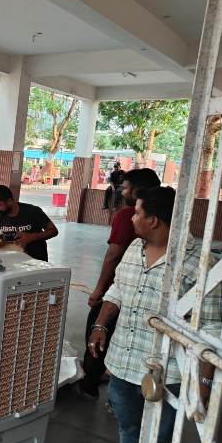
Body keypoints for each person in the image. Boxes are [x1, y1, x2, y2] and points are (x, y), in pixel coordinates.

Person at [88, 187, 222, 443]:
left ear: (153, 220)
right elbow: (118, 289)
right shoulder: (134, 247)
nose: (131, 218)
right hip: (123, 366)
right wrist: (100, 324)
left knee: (160, 442)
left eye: (136, 213)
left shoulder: (202, 263)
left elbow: (212, 329)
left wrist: (204, 384)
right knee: (128, 430)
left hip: (168, 376)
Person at [79, 168, 160, 400]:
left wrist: (99, 290)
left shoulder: (126, 216)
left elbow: (113, 255)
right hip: (139, 294)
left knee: (99, 332)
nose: (121, 192)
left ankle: (90, 383)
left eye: (125, 187)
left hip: (119, 290)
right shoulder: (148, 235)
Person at [0, 185, 58, 261]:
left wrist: (31, 237)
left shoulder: (33, 211)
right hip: (13, 259)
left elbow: (53, 231)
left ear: (9, 201)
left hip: (36, 259)